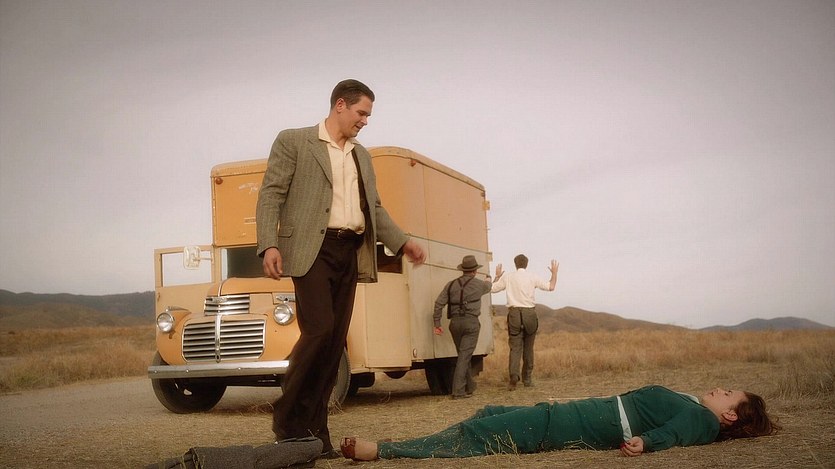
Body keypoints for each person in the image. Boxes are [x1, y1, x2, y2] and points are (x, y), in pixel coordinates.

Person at [255, 79, 426, 458]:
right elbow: (271, 194)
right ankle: (288, 416)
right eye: (361, 112)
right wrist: (269, 243)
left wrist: (403, 242)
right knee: (319, 331)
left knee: (333, 346)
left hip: (349, 252)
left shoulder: (361, 155)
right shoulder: (294, 141)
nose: (365, 120)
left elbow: (374, 208)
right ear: (340, 106)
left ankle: (317, 435)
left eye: (368, 115)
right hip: (311, 250)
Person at [339, 385, 780, 460]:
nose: (720, 389)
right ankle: (421, 441)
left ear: (729, 415)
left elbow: (675, 434)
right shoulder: (694, 404)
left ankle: (386, 450)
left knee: (481, 435)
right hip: (573, 413)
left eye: (729, 394)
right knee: (488, 415)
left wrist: (648, 444)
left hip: (572, 427)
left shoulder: (703, 420)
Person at [490, 254, 558, 389]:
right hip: (529, 314)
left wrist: (497, 277)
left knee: (515, 348)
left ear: (515, 264)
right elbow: (551, 287)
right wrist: (554, 273)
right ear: (526, 264)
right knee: (528, 348)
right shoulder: (533, 277)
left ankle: (513, 378)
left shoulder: (508, 277)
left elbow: (491, 289)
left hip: (514, 315)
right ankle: (527, 379)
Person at [432, 255, 493, 399]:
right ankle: (458, 391)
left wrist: (437, 323)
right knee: (464, 357)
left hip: (454, 324)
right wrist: (490, 278)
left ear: (463, 270)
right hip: (471, 324)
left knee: (463, 355)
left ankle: (470, 386)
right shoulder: (478, 284)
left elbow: (439, 303)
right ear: (475, 271)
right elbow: (488, 286)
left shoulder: (451, 285)